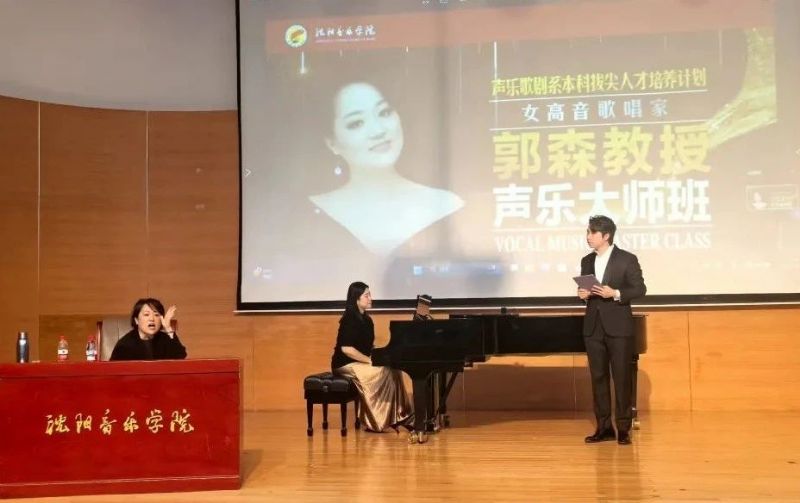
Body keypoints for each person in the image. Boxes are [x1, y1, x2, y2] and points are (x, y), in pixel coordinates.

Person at [309, 81, 464, 256]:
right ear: (332, 143)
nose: (378, 131)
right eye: (356, 123)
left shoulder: (446, 204)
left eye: (384, 113)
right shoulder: (312, 213)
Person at [577, 215, 646, 445]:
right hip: (593, 327)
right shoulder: (587, 260)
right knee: (598, 377)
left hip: (619, 327)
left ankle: (623, 428)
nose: (588, 237)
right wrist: (583, 295)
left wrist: (615, 293)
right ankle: (604, 427)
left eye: (592, 233)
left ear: (606, 236)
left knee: (622, 377)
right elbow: (586, 291)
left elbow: (640, 289)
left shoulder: (626, 259)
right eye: (588, 232)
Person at [331, 281, 412, 432]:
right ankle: (376, 420)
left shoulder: (367, 320)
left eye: (370, 295)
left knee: (394, 370)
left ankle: (400, 415)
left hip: (359, 361)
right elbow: (347, 349)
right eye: (366, 295)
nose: (370, 298)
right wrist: (369, 361)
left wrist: (383, 356)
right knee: (381, 372)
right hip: (345, 364)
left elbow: (368, 346)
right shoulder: (349, 319)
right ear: (356, 299)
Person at [110, 298, 187, 361]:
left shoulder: (164, 339)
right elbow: (113, 371)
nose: (152, 319)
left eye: (156, 315)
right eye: (146, 314)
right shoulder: (125, 345)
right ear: (136, 320)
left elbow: (180, 357)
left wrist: (168, 328)